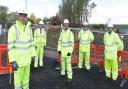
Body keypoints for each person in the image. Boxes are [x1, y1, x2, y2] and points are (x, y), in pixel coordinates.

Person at [8, 9, 35, 89]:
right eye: (21, 15)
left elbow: (32, 44)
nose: (23, 17)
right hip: (18, 63)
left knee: (26, 81)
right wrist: (12, 60)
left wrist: (33, 55)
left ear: (27, 17)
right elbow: (10, 47)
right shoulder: (13, 29)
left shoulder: (29, 29)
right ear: (19, 16)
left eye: (25, 15)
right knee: (17, 83)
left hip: (27, 62)